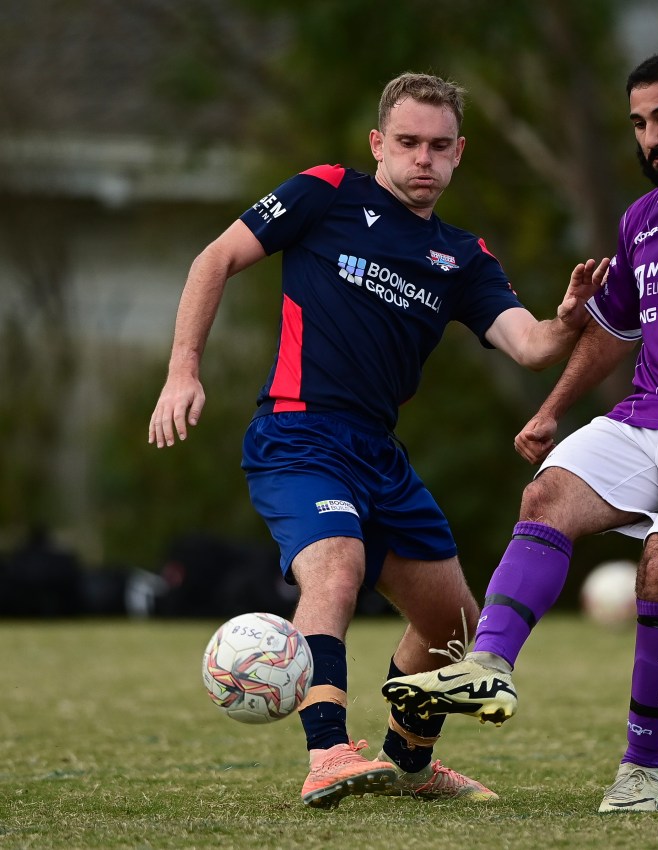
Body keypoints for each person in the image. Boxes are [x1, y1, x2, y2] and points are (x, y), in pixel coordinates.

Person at [148, 71, 606, 808]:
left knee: (455, 623)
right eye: (407, 142)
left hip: (378, 455)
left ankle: (408, 762)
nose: (423, 158)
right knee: (336, 568)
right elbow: (214, 259)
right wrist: (182, 371)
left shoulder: (463, 257)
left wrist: (571, 316)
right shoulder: (325, 193)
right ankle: (327, 751)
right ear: (378, 144)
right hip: (298, 432)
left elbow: (531, 346)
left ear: (459, 152)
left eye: (439, 146)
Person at [383, 49, 658, 813]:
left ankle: (639, 772)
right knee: (546, 494)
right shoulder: (642, 220)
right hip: (647, 415)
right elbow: (613, 331)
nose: (653, 137)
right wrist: (551, 409)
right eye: (640, 124)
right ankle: (490, 666)